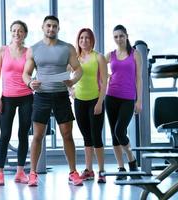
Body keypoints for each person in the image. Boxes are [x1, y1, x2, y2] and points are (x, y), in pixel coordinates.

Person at [22, 15, 83, 187]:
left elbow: (78, 70)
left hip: (61, 95)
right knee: (38, 136)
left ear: (58, 28)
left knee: (67, 135)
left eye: (54, 26)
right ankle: (33, 173)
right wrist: (29, 83)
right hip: (41, 95)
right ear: (43, 27)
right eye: (48, 26)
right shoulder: (34, 49)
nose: (51, 29)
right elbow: (25, 73)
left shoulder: (68, 48)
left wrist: (72, 81)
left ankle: (73, 172)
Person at [0, 20, 33, 186]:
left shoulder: (29, 51)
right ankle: (0, 172)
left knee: (23, 134)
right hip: (7, 97)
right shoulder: (2, 50)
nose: (17, 33)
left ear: (25, 34)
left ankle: (20, 171)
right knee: (5, 134)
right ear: (11, 32)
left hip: (26, 97)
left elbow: (31, 73)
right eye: (14, 30)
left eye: (20, 31)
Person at [105, 24, 142, 180]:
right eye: (115, 37)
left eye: (121, 36)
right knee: (114, 135)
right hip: (111, 96)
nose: (118, 39)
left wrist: (139, 101)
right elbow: (96, 66)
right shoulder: (111, 55)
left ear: (126, 36)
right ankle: (121, 168)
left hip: (128, 98)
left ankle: (131, 159)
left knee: (120, 131)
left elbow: (138, 78)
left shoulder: (135, 54)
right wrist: (106, 77)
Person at [72, 28, 107, 183]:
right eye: (81, 38)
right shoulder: (75, 58)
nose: (84, 41)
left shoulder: (98, 57)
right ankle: (89, 170)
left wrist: (100, 102)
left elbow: (105, 82)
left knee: (96, 136)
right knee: (86, 137)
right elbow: (65, 73)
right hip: (79, 101)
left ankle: (102, 171)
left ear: (92, 40)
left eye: (87, 38)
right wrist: (70, 90)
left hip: (95, 101)